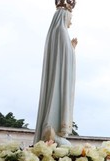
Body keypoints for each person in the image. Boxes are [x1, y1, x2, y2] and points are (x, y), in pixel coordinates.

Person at [34, 0, 78, 146]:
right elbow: (65, 58)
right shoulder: (61, 31)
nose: (70, 23)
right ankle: (52, 130)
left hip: (57, 76)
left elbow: (62, 56)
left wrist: (70, 48)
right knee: (67, 146)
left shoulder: (56, 32)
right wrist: (71, 49)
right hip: (60, 80)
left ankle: (52, 131)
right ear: (64, 16)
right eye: (70, 19)